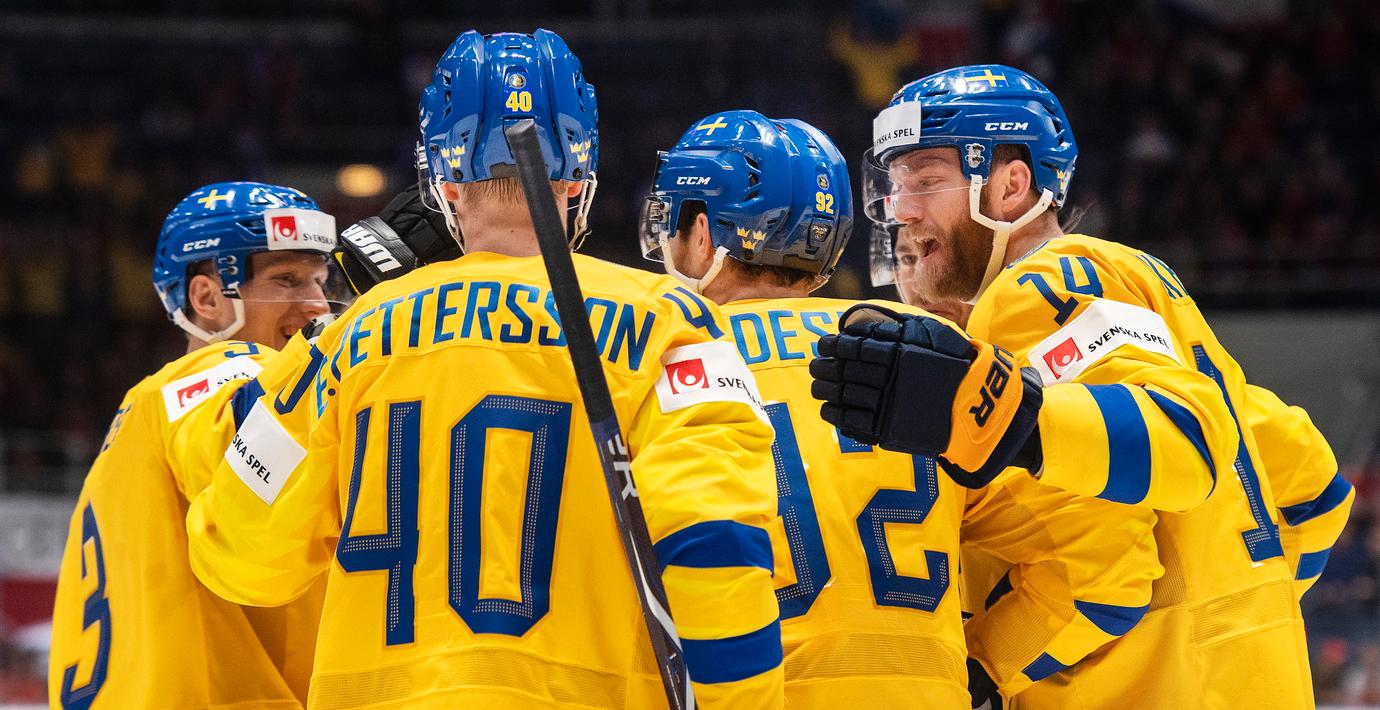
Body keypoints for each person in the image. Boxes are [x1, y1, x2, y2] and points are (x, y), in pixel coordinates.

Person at [185, 30, 784, 709]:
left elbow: (237, 557)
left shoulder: (345, 339)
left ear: (442, 183)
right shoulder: (669, 320)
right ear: (580, 176)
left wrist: (288, 379)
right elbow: (716, 543)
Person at [812, 64, 1325, 707]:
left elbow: (1184, 443)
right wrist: (1239, 611)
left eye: (926, 180)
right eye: (895, 185)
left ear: (1011, 185)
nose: (901, 209)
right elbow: (1314, 488)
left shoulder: (1035, 287)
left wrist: (975, 669)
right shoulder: (1141, 278)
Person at [641, 109, 1160, 708]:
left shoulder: (661, 357)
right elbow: (1109, 572)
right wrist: (977, 669)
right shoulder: (930, 352)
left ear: (701, 234)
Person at [48, 182, 344, 708]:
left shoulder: (149, 408)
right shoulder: (205, 379)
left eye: (320, 281)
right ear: (207, 298)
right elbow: (245, 441)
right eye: (286, 280)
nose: (318, 305)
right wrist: (361, 335)